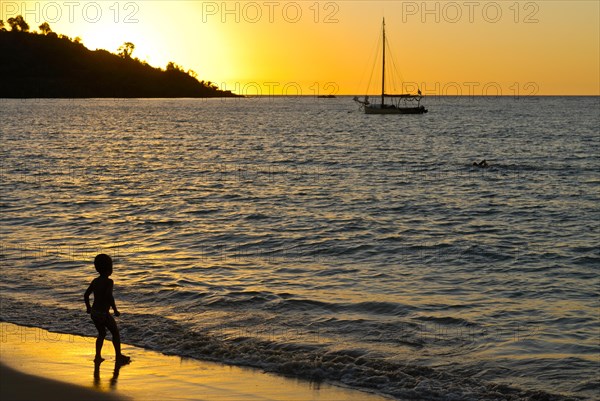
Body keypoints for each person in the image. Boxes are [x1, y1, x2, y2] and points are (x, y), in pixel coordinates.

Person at [84, 254, 130, 365]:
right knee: (115, 332)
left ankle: (98, 356)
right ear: (109, 269)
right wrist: (115, 309)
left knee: (102, 334)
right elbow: (109, 296)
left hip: (94, 313)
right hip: (103, 313)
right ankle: (118, 356)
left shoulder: (95, 281)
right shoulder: (109, 282)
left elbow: (86, 295)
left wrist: (88, 308)